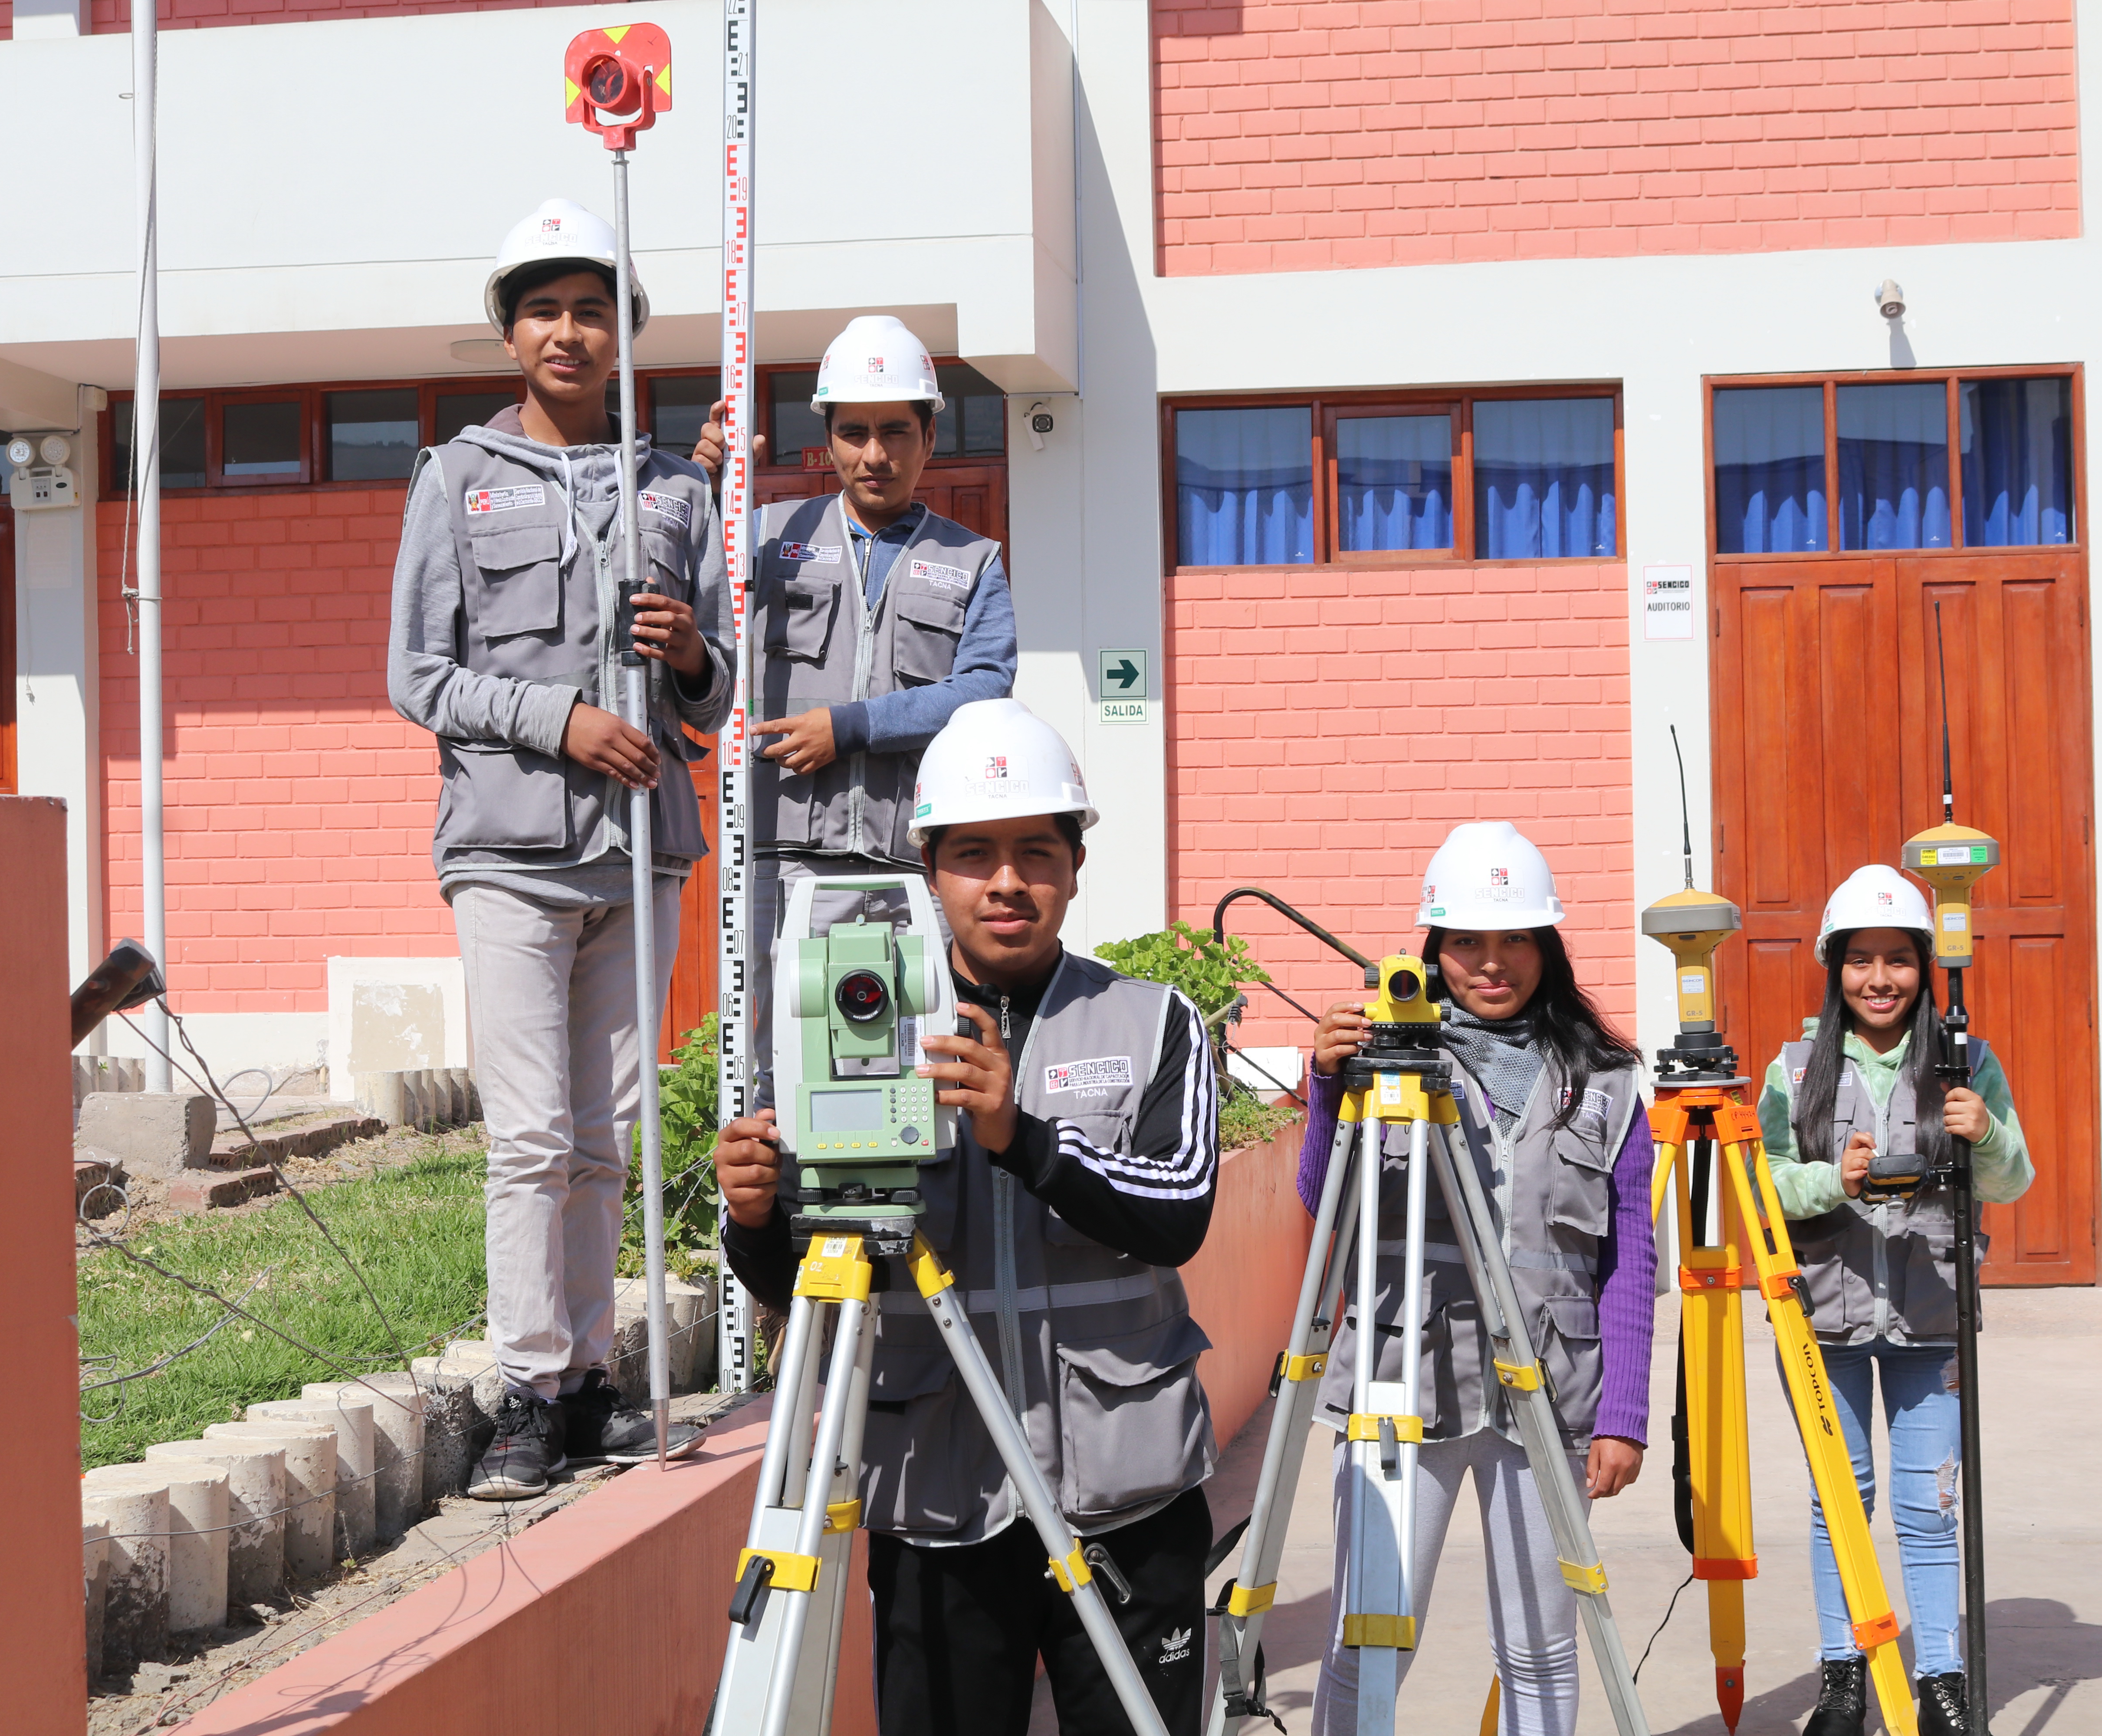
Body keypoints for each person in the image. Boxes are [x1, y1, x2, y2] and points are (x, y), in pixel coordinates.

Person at [712, 698, 1221, 1736]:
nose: (1006, 881)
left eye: (1037, 851)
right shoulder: (849, 1016)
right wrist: (757, 1219)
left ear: (1075, 867)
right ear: (930, 870)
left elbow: (1178, 1212)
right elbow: (809, 1281)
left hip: (1129, 1491)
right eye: (975, 853)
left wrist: (1022, 1136)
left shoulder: (1154, 1019)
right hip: (940, 1502)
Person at [388, 197, 710, 1499]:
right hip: (511, 854)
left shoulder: (677, 483)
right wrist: (560, 722)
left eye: (592, 309)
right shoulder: (453, 480)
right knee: (529, 1138)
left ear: (624, 332)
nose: (568, 332)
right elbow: (418, 674)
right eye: (544, 310)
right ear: (510, 334)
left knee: (606, 1138)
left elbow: (714, 698)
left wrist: (691, 656)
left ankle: (587, 1385)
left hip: (644, 855)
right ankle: (524, 1390)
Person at [1295, 822, 1656, 1736]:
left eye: (1514, 941)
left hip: (1552, 1391)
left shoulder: (1606, 1079)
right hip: (1400, 1379)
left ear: (1547, 946)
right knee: (1372, 1639)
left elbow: (1629, 1260)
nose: (1491, 965)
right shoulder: (1387, 1060)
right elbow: (1325, 1207)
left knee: (1540, 1646)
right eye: (1467, 943)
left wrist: (1624, 1414)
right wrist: (1330, 1085)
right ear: (1434, 948)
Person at [691, 317, 1017, 1066]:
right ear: (829, 439)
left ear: (929, 437)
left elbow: (986, 690)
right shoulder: (765, 536)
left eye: (896, 431)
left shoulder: (973, 561)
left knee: (910, 1066)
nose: (876, 454)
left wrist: (851, 726)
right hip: (780, 863)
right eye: (856, 432)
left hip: (915, 865)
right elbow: (674, 590)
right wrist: (703, 485)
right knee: (773, 1070)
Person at [1759, 864, 2034, 1736]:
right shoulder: (1794, 1067)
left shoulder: (1967, 1060)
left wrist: (1982, 1132)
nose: (1879, 978)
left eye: (1899, 958)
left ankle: (1940, 1674)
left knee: (1928, 1503)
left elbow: (2013, 1176)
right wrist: (1825, 1180)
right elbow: (1758, 1183)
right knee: (1840, 1497)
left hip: (1930, 1319)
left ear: (1926, 964)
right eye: (1860, 959)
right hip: (1824, 1318)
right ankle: (1843, 1669)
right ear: (1833, 967)